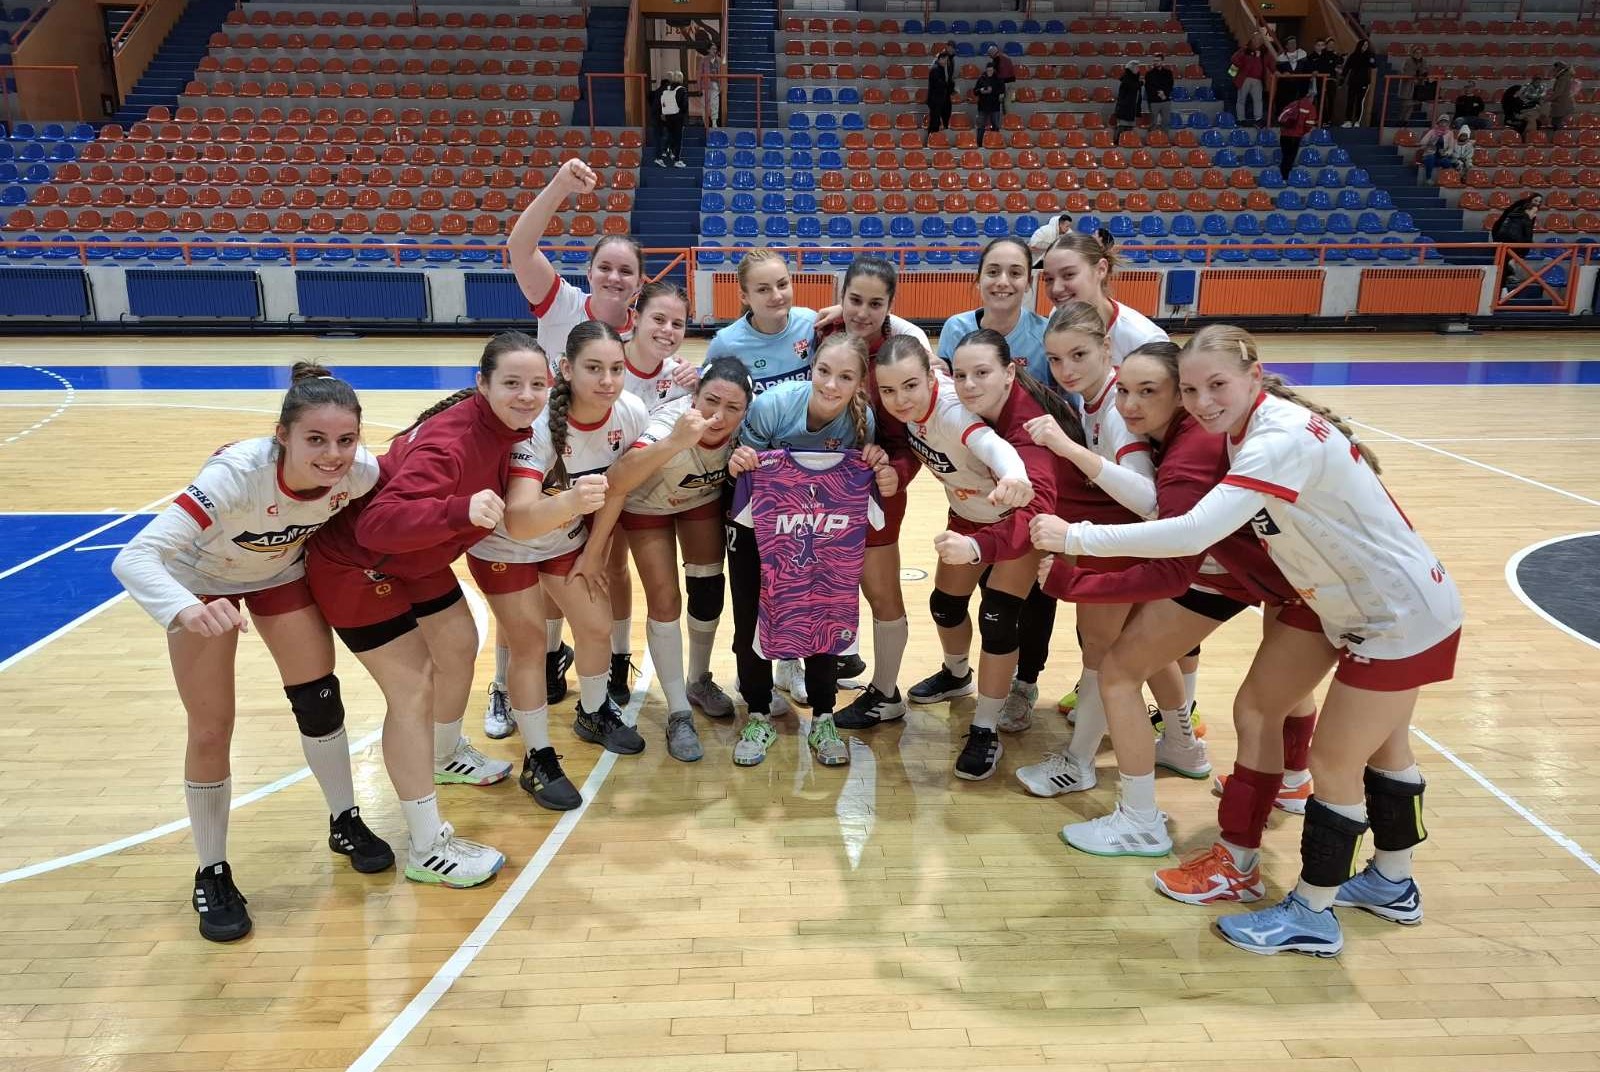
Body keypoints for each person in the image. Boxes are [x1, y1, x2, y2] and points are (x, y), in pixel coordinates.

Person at [1034, 324, 1463, 956]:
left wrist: (1074, 539)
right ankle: (1388, 881)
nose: (1203, 402)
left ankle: (1312, 913)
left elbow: (1189, 532)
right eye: (1192, 390)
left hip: (1394, 615)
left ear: (1254, 376)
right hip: (1341, 600)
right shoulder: (1246, 427)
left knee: (1333, 763)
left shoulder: (1274, 440)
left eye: (1217, 385)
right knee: (1292, 720)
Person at [112, 364, 392, 943]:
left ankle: (345, 819)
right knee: (211, 729)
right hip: (200, 583)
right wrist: (185, 609)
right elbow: (133, 557)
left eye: (345, 439)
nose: (333, 455)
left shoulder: (360, 473)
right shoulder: (236, 476)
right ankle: (211, 871)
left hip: (278, 576)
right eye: (316, 439)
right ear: (282, 435)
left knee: (320, 700)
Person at [1029, 341, 1324, 868]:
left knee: (1124, 672)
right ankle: (1292, 779)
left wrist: (1074, 565)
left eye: (1149, 391)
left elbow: (1174, 563)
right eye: (1124, 391)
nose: (1130, 405)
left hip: (1283, 578)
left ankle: (1143, 822)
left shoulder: (1192, 451)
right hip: (1266, 572)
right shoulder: (1186, 437)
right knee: (1277, 690)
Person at [304, 334, 555, 891]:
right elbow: (375, 526)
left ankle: (444, 756)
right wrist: (458, 510)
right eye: (512, 383)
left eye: (536, 384)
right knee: (413, 691)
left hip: (413, 557)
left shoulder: (502, 430)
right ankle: (426, 846)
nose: (526, 395)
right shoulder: (452, 443)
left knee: (460, 643)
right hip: (358, 565)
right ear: (482, 384)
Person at [468, 321, 650, 811]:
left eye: (617, 369)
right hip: (506, 546)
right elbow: (521, 520)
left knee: (595, 627)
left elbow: (619, 487)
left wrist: (594, 552)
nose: (607, 380)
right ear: (566, 370)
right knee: (528, 645)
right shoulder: (538, 425)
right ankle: (538, 758)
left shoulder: (630, 412)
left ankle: (592, 712)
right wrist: (572, 500)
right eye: (594, 368)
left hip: (563, 538)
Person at [1011, 305, 1187, 770]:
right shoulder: (1093, 399)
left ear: (1107, 347)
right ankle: (1184, 745)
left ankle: (1079, 761)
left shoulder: (1115, 408)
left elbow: (1147, 498)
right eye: (1054, 359)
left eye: (1078, 355)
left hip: (1136, 538)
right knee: (1143, 645)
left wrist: (1067, 448)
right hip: (1139, 539)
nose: (1066, 369)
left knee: (1101, 649)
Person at [502, 156, 643, 723]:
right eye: (605, 267)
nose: (614, 277)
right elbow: (519, 247)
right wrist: (561, 186)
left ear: (639, 281)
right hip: (547, 454)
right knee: (534, 569)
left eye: (625, 270)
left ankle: (615, 658)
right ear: (590, 271)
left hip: (606, 463)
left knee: (607, 564)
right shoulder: (560, 301)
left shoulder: (645, 332)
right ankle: (541, 660)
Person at [909, 329, 1078, 781]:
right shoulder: (938, 396)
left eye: (982, 373)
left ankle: (986, 728)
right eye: (961, 374)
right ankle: (956, 674)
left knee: (999, 616)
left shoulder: (1028, 428)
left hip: (1026, 523)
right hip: (970, 512)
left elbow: (1038, 510)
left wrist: (979, 546)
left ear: (1009, 373)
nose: (969, 385)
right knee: (945, 606)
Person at [726, 333, 893, 768]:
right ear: (811, 368)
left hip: (822, 531)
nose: (831, 385)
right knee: (751, 616)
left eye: (846, 377)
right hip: (761, 526)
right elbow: (741, 472)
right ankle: (757, 713)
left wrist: (876, 464)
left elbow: (866, 487)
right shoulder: (772, 406)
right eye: (824, 371)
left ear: (860, 382)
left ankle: (824, 716)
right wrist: (741, 462)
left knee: (825, 610)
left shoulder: (861, 422)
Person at [580, 358, 753, 760]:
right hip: (647, 505)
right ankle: (678, 712)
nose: (719, 415)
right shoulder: (668, 424)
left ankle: (698, 680)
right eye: (710, 401)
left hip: (699, 499)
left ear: (747, 409)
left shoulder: (748, 427)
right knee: (665, 600)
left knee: (709, 589)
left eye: (733, 407)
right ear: (694, 397)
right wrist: (675, 442)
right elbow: (617, 480)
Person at [812, 257, 930, 727]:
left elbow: (909, 440)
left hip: (876, 494)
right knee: (821, 588)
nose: (862, 312)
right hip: (819, 492)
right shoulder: (823, 334)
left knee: (880, 591)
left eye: (875, 304)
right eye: (854, 300)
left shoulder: (898, 355)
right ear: (840, 298)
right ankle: (817, 673)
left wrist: (896, 474)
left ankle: (885, 692)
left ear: (890, 307)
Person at [937, 237, 1049, 385]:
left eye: (1015, 273)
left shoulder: (1046, 333)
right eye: (993, 272)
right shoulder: (956, 328)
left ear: (1028, 282)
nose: (1003, 282)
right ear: (978, 280)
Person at [1494, 194, 1540, 298]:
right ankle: (1502, 292)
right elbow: (1527, 238)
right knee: (1504, 266)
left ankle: (1503, 291)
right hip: (1510, 246)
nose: (1534, 215)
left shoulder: (1512, 216)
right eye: (1534, 212)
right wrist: (1522, 254)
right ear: (1527, 210)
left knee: (1503, 267)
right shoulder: (1525, 220)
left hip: (1502, 244)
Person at [1277, 89, 1319, 182]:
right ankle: (1285, 177)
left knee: (1285, 156)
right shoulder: (1311, 107)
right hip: (1296, 136)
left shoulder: (1294, 103)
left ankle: (1282, 177)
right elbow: (1309, 124)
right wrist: (1303, 132)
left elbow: (1281, 117)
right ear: (1311, 97)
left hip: (1284, 134)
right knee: (1290, 157)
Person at [1230, 35, 1268, 126]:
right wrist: (1242, 65)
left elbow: (1270, 62)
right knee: (1241, 99)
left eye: (1260, 40)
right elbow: (1234, 59)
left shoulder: (1264, 52)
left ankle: (1258, 119)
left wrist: (1275, 71)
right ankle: (1241, 119)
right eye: (1256, 39)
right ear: (1252, 40)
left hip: (1257, 80)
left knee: (1258, 100)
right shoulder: (1244, 50)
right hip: (1244, 78)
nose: (1258, 42)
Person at [656, 71, 688, 167]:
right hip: (677, 117)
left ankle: (663, 154)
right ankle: (676, 159)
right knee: (678, 138)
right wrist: (683, 114)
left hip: (667, 116)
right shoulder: (682, 90)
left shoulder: (668, 89)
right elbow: (684, 105)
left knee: (669, 135)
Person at [1339, 39, 1374, 126]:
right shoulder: (1353, 56)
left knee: (1359, 101)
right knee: (1350, 101)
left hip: (1364, 82)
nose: (1365, 46)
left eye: (1367, 45)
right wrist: (1342, 80)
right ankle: (1348, 120)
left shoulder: (1369, 55)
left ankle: (1357, 121)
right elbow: (1347, 68)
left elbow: (1374, 65)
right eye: (1364, 45)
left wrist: (1371, 59)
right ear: (1360, 45)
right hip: (1353, 81)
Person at [926, 46, 956, 142]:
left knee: (940, 120)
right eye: (944, 60)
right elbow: (939, 84)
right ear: (940, 59)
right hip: (935, 100)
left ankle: (936, 140)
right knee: (934, 122)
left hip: (942, 99)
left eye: (946, 60)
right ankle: (931, 140)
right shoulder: (935, 69)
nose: (945, 62)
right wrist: (948, 84)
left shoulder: (943, 69)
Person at [1275, 35, 1309, 113]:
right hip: (1285, 86)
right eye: (1290, 43)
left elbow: (1307, 68)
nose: (1293, 45)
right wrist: (1282, 73)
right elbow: (1278, 70)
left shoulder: (1302, 54)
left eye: (1294, 43)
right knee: (1284, 104)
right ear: (1286, 46)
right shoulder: (1281, 58)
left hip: (1299, 85)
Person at [1403, 46, 1435, 124]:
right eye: (1417, 53)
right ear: (1413, 53)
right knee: (1406, 104)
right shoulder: (1408, 61)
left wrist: (1424, 75)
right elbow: (1408, 71)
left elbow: (1425, 71)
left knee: (1412, 105)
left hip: (1418, 85)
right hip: (1409, 85)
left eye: (1420, 53)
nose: (1418, 54)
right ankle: (1401, 120)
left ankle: (1405, 121)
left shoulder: (1424, 61)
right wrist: (1416, 76)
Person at [1145, 52, 1174, 131]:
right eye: (1154, 61)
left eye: (1157, 61)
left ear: (1162, 61)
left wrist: (1164, 94)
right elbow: (1148, 88)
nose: (1156, 62)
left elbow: (1170, 85)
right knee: (1153, 123)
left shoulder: (1168, 73)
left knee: (1166, 122)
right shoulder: (1149, 74)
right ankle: (1152, 137)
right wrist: (1159, 93)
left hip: (1165, 100)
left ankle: (1165, 137)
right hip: (1154, 101)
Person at [974, 60, 1004, 134]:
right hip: (983, 106)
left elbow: (1002, 91)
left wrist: (992, 91)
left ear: (994, 70)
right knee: (981, 126)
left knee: (995, 126)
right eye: (988, 71)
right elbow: (975, 91)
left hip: (994, 105)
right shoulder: (981, 78)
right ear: (986, 70)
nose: (989, 72)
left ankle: (995, 139)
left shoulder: (998, 79)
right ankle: (980, 140)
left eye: (991, 71)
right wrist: (981, 90)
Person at [1114, 61, 1142, 136]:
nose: (1138, 69)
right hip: (1125, 109)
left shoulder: (1135, 79)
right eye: (1136, 67)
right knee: (1122, 128)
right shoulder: (1127, 79)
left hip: (1132, 109)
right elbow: (1133, 86)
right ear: (1131, 68)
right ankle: (1117, 141)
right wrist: (1140, 83)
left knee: (1129, 131)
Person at [987, 44, 1017, 113]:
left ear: (993, 54)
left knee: (1005, 103)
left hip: (1004, 83)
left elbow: (998, 74)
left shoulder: (997, 60)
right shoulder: (1005, 56)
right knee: (1007, 102)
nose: (989, 56)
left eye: (990, 55)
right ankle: (1008, 117)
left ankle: (1007, 117)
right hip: (1012, 82)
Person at [701, 48, 723, 130]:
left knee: (715, 104)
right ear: (708, 50)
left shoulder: (719, 60)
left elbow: (721, 73)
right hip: (705, 85)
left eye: (715, 49)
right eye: (712, 49)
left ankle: (714, 123)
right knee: (704, 105)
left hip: (715, 84)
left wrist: (720, 85)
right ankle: (706, 123)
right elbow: (699, 73)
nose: (714, 50)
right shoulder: (703, 60)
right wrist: (699, 87)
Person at [1550, 62, 1576, 131]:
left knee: (1557, 123)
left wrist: (1549, 98)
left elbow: (1558, 92)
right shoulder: (1565, 76)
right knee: (1555, 122)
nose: (1554, 69)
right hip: (1562, 103)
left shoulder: (1563, 78)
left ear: (1559, 68)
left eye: (1555, 67)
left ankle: (1559, 134)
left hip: (1561, 103)